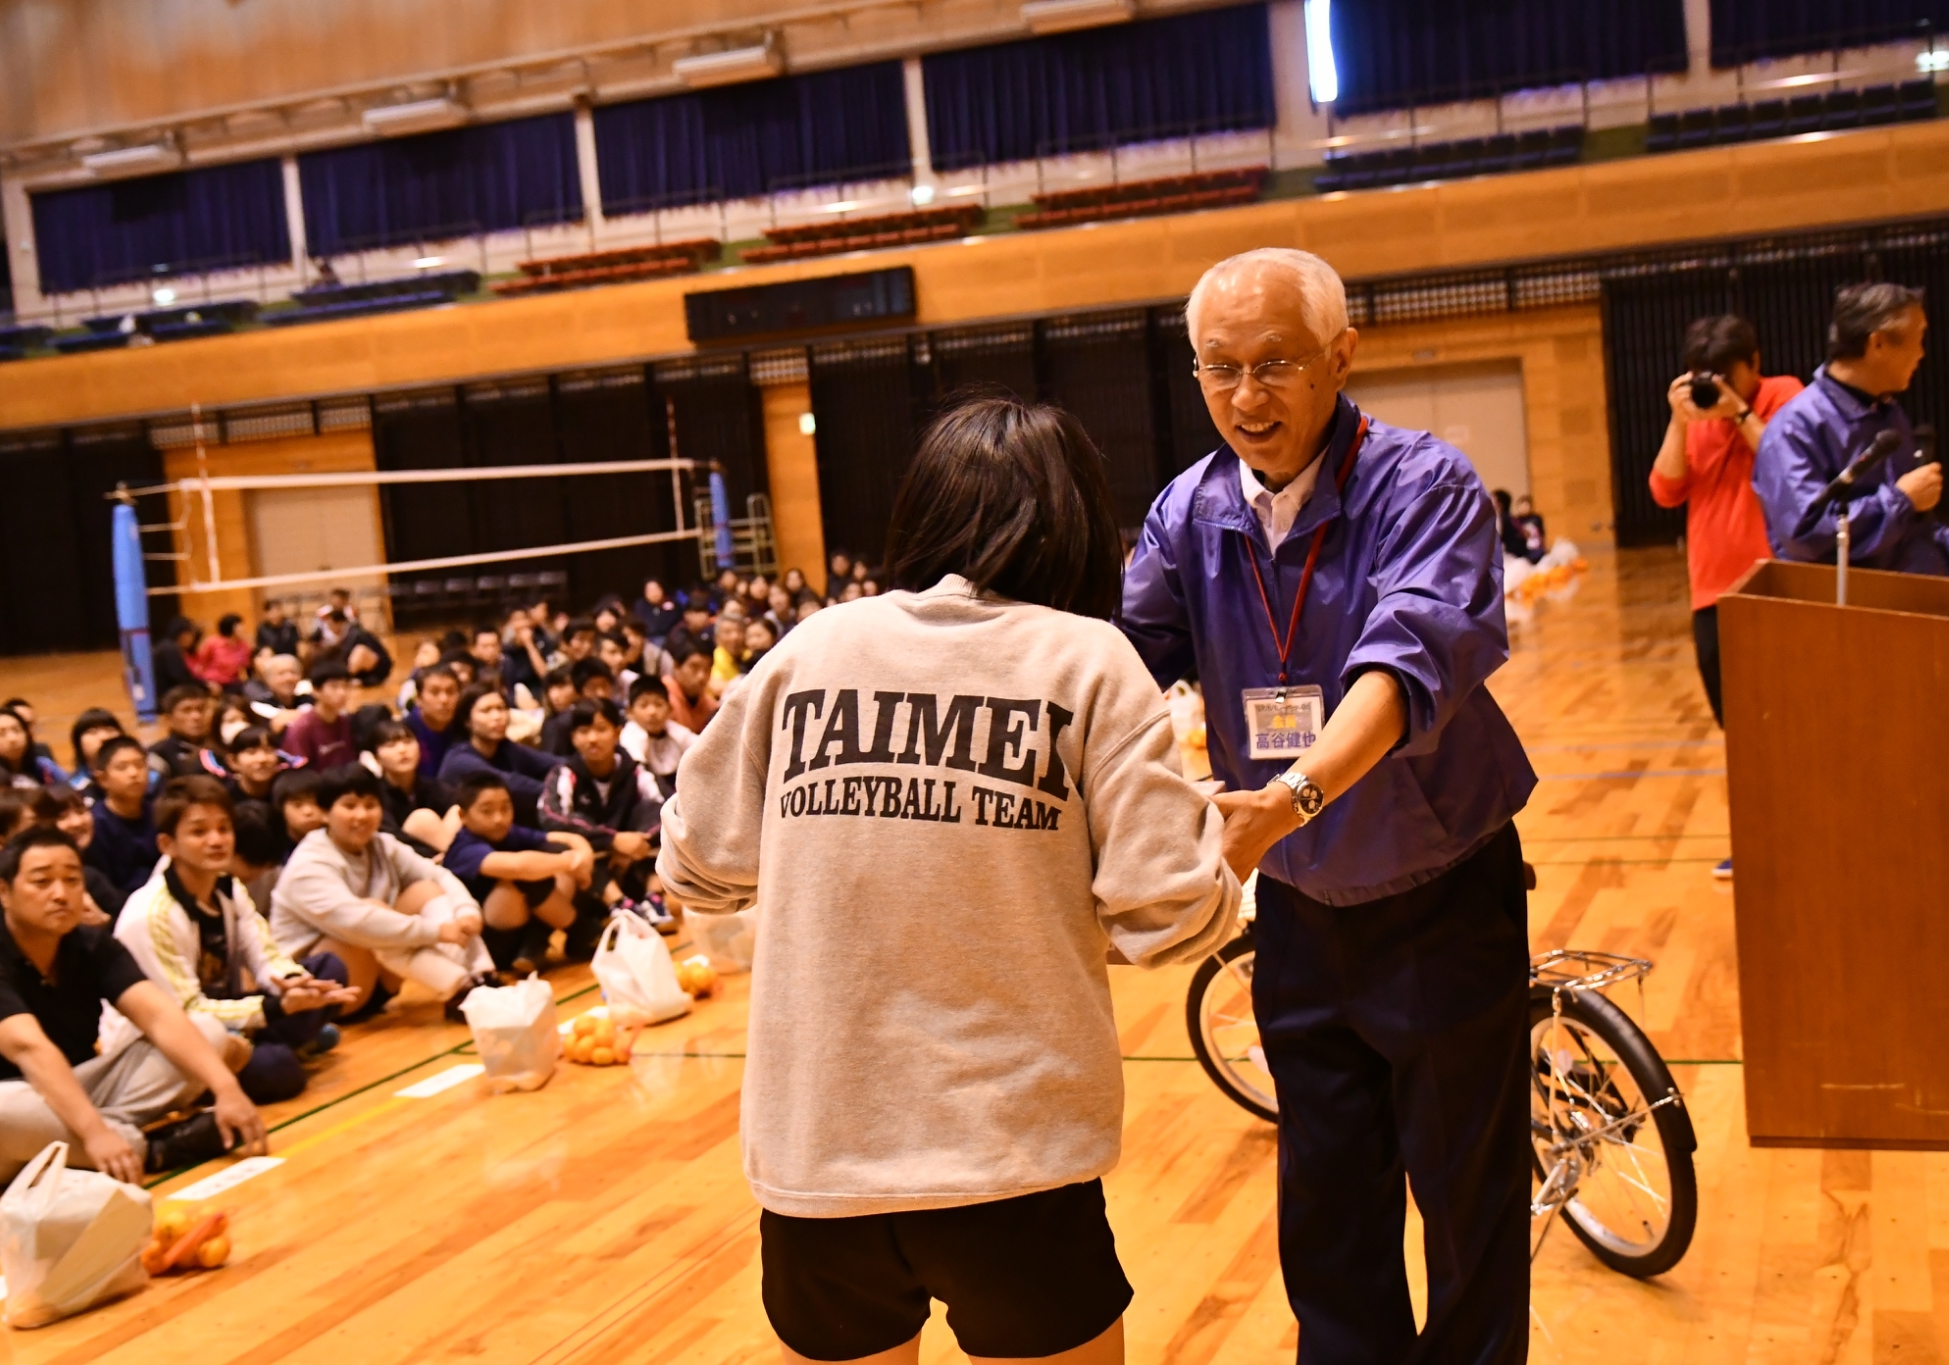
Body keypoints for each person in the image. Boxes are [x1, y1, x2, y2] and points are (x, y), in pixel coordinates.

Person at [658, 395, 1237, 1365]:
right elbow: (1169, 916)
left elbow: (695, 868)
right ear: (1075, 524)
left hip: (818, 1159)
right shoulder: (1088, 659)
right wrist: (1225, 847)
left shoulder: (808, 649)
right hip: (1015, 1160)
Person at [1119, 247, 1537, 1363]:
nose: (1244, 396)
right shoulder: (1187, 511)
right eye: (1217, 368)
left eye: (1274, 363)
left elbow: (1406, 663)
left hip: (1440, 898)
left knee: (1467, 1203)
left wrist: (1287, 797)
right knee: (1328, 1205)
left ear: (1341, 356)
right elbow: (1117, 665)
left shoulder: (1423, 486)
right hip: (1299, 910)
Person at [0, 825, 266, 1183]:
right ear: (4, 892)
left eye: (72, 880)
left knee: (207, 1031)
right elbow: (30, 1050)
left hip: (85, 1088)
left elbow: (159, 1015)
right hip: (16, 1097)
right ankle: (150, 1149)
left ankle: (85, 1148)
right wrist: (94, 1133)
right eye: (42, 882)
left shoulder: (92, 944)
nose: (60, 894)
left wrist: (227, 1089)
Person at [106, 777, 358, 1104]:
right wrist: (275, 1008)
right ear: (168, 845)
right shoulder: (152, 915)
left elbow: (264, 952)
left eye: (223, 828)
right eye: (199, 832)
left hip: (226, 1013)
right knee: (278, 1069)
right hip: (166, 1041)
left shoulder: (227, 885)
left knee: (328, 970)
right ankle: (279, 1045)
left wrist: (294, 982)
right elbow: (186, 1012)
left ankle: (272, 1042)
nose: (216, 840)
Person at [1754, 282, 1949, 590]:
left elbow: (1911, 517)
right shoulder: (1794, 428)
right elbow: (1806, 534)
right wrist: (1901, 499)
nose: (1922, 353)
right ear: (1878, 343)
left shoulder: (1888, 412)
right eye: (1917, 339)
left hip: (1912, 596)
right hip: (1849, 607)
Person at [1650, 314, 1805, 739]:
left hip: (1778, 586)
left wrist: (1738, 412)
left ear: (1755, 362)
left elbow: (1788, 463)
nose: (1716, 387)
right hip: (1712, 593)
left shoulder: (1783, 393)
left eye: (1727, 377)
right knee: (1735, 727)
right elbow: (1665, 490)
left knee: (1789, 715)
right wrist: (1678, 421)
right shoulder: (1695, 418)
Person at [270, 765, 501, 1023]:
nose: (362, 815)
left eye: (370, 805)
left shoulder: (382, 844)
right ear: (325, 813)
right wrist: (438, 931)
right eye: (350, 806)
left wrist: (467, 911)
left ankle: (482, 976)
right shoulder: (308, 864)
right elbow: (360, 923)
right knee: (374, 912)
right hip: (324, 993)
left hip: (380, 977)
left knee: (426, 890)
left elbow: (438, 875)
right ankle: (459, 987)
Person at [445, 771, 595, 975]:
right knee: (527, 873)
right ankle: (581, 930)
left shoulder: (508, 833)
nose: (499, 818)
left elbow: (564, 838)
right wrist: (570, 862)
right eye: (487, 811)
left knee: (550, 853)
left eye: (505, 808)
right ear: (463, 816)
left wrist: (584, 854)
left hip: (521, 926)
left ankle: (534, 945)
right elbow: (517, 866)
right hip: (490, 943)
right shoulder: (463, 848)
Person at [538, 697, 668, 923]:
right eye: (583, 731)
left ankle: (654, 898)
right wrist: (612, 841)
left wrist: (638, 841)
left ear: (617, 733)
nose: (592, 738)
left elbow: (672, 808)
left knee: (658, 816)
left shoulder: (635, 770)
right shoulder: (565, 774)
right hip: (592, 871)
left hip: (635, 861)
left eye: (601, 729)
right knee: (563, 839)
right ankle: (619, 904)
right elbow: (550, 816)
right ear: (573, 737)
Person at [439, 685, 562, 827]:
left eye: (501, 708)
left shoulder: (505, 747)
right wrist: (561, 792)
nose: (497, 716)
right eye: (486, 711)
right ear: (467, 721)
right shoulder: (460, 760)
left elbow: (551, 763)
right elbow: (511, 785)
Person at [34, 785, 128, 922]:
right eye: (62, 817)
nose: (76, 822)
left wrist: (105, 920)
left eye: (81, 811)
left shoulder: (101, 851)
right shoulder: (83, 876)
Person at [84, 735, 160, 896]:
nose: (134, 773)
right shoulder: (95, 825)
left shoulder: (159, 815)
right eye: (122, 767)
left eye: (140, 765)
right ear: (102, 779)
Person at [367, 719, 456, 854]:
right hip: (402, 860)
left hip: (442, 857)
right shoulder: (374, 795)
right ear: (376, 758)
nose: (402, 750)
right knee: (422, 818)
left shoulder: (432, 786)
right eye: (391, 745)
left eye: (408, 742)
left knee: (459, 810)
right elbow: (391, 839)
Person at [280, 654, 359, 771]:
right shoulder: (302, 728)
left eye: (346, 686)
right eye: (334, 687)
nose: (342, 693)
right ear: (316, 691)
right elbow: (298, 771)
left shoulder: (344, 721)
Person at [621, 677, 696, 793]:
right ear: (629, 712)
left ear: (670, 710)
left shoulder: (676, 731)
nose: (652, 712)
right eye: (644, 705)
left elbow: (701, 748)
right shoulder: (630, 736)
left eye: (659, 704)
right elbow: (639, 774)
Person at [406, 663, 462, 778]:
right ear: (418, 699)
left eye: (450, 692)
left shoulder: (465, 727)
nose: (444, 700)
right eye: (435, 692)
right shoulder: (405, 732)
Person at [149, 684, 216, 779]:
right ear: (168, 719)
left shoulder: (220, 747)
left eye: (201, 709)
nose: (196, 716)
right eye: (186, 710)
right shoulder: (157, 755)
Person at [0, 706, 64, 787]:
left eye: (16, 730)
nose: (12, 738)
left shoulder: (44, 766)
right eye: (1, 733)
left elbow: (70, 788)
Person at [66, 707, 126, 800]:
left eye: (110, 730)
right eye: (93, 732)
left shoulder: (142, 779)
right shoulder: (72, 790)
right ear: (78, 743)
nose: (104, 737)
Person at [663, 639, 720, 736]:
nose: (701, 676)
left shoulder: (712, 707)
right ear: (676, 666)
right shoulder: (660, 700)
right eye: (694, 667)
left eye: (707, 669)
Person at [194, 612, 253, 688]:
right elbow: (201, 664)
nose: (242, 628)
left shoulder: (243, 645)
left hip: (231, 682)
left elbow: (247, 665)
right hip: (212, 681)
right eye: (239, 626)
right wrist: (205, 682)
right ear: (231, 628)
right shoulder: (213, 642)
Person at [153, 617, 200, 694]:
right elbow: (181, 677)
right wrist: (205, 687)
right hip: (164, 695)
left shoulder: (166, 646)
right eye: (191, 634)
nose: (193, 639)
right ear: (183, 634)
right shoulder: (170, 649)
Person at [310, 587, 358, 652]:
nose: (336, 604)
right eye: (334, 601)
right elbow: (315, 632)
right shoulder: (322, 614)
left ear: (345, 601)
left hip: (346, 644)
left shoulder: (350, 613)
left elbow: (354, 631)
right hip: (326, 644)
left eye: (339, 602)